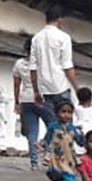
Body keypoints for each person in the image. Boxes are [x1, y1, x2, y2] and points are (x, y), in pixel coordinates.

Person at [30, 6, 80, 111]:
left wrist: (36, 91)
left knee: (51, 123)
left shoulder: (36, 39)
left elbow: (33, 69)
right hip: (60, 86)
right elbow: (67, 66)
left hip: (45, 89)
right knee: (65, 121)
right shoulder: (64, 37)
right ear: (59, 19)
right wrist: (77, 89)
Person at [16, 39, 55, 169]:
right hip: (42, 98)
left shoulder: (19, 64)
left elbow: (16, 85)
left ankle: (34, 162)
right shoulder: (43, 64)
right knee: (53, 125)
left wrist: (17, 102)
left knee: (32, 131)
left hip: (26, 99)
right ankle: (46, 150)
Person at [44, 101, 83, 181]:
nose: (66, 115)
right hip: (57, 158)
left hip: (69, 158)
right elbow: (47, 140)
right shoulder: (53, 127)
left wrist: (82, 135)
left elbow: (80, 142)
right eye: (63, 111)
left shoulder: (72, 128)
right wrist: (42, 148)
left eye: (69, 112)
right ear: (57, 113)